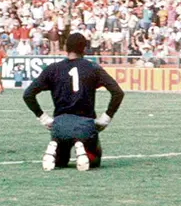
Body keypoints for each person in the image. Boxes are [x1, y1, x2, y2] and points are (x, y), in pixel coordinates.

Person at [23, 33, 124, 172]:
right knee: (94, 161)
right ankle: (80, 145)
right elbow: (117, 92)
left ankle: (55, 145)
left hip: (60, 125)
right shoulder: (93, 68)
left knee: (60, 162)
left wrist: (43, 117)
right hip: (85, 125)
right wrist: (106, 118)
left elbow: (28, 94)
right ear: (84, 48)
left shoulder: (53, 69)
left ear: (65, 48)